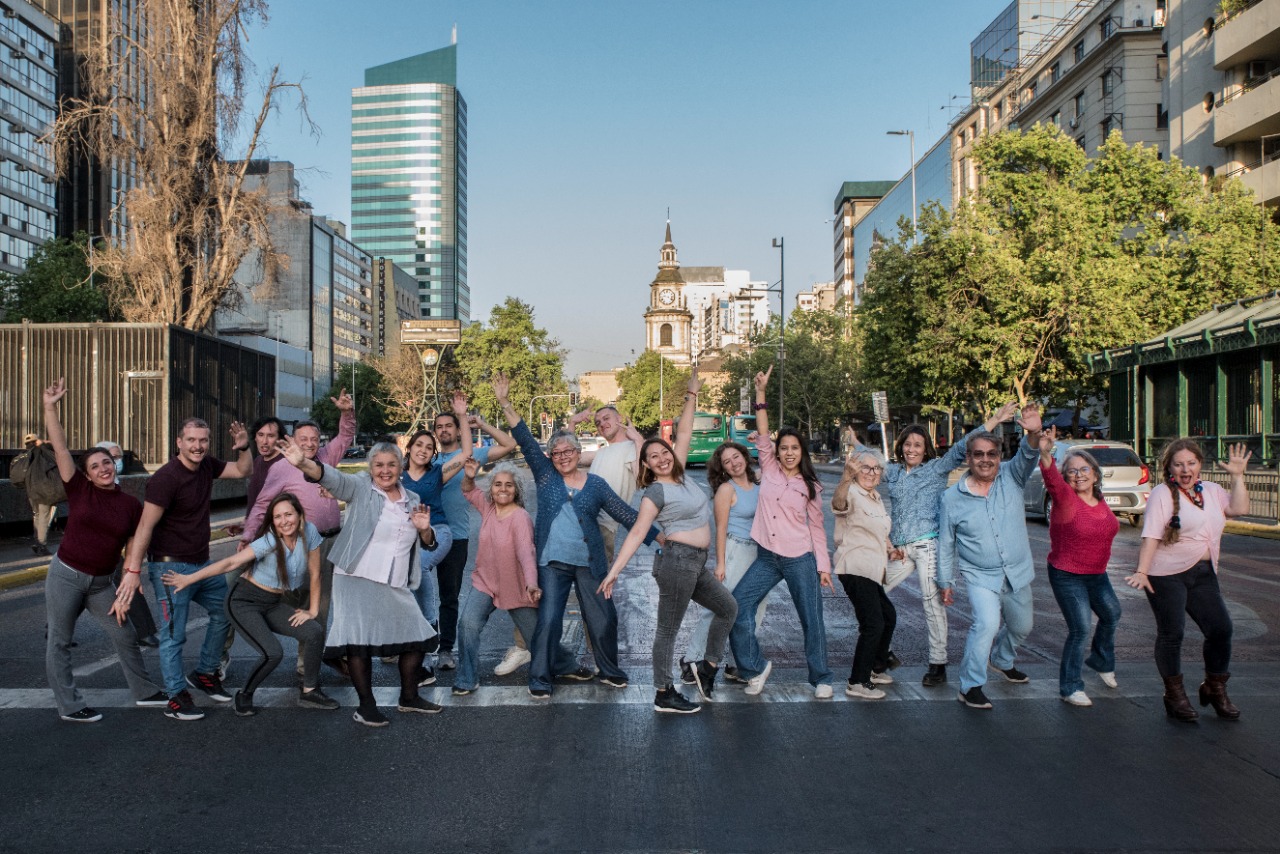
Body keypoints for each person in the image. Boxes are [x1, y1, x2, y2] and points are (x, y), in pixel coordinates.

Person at [277, 432, 463, 726]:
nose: (385, 471)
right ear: (370, 467)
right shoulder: (360, 488)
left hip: (395, 582)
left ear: (401, 467)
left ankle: (409, 697)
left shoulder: (412, 498)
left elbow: (427, 543)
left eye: (391, 464)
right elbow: (331, 478)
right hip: (356, 577)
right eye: (378, 465)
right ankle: (366, 706)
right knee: (358, 643)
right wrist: (304, 462)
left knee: (419, 637)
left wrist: (426, 530)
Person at [493, 373, 657, 699]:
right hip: (553, 563)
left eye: (569, 451)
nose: (563, 456)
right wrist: (505, 403)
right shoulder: (545, 476)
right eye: (557, 452)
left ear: (578, 451)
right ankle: (540, 677)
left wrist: (659, 538)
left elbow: (624, 513)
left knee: (602, 617)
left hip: (589, 561)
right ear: (551, 457)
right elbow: (525, 437)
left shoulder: (595, 483)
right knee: (549, 620)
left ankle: (609, 671)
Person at [599, 376, 738, 714]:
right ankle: (663, 691)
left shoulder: (683, 476)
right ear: (646, 465)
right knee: (667, 630)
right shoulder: (656, 491)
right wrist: (614, 572)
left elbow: (686, 430)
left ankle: (707, 668)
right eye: (653, 457)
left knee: (728, 608)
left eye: (663, 452)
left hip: (696, 563)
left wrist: (692, 394)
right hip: (676, 563)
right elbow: (635, 533)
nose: (660, 458)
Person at [39, 379, 167, 722]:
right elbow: (61, 448)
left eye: (107, 462)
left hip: (100, 584)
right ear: (87, 474)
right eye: (95, 466)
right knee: (60, 641)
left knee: (124, 633)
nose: (103, 469)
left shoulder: (128, 504)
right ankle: (69, 706)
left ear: (114, 465)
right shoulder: (79, 489)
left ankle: (144, 691)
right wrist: (50, 407)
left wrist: (132, 573)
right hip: (66, 575)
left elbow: (135, 541)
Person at [121, 416, 252, 721]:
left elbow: (243, 469)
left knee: (226, 608)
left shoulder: (206, 465)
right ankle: (176, 696)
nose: (197, 446)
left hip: (200, 563)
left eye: (203, 440)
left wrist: (244, 446)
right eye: (191, 440)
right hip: (169, 567)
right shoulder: (166, 478)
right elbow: (145, 526)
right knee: (173, 634)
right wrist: (133, 570)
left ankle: (205, 672)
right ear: (178, 442)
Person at [881, 403, 1019, 688]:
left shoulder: (936, 468)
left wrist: (994, 419)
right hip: (899, 549)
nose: (912, 449)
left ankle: (938, 664)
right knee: (873, 592)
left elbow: (961, 447)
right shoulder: (892, 472)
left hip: (928, 545)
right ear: (901, 447)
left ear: (926, 448)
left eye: (918, 445)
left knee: (932, 605)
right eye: (907, 444)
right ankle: (881, 652)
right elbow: (866, 468)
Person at [163, 493, 339, 715]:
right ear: (272, 521)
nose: (284, 521)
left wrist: (312, 610)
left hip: (273, 602)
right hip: (243, 602)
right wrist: (189, 579)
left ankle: (309, 691)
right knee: (272, 653)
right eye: (277, 517)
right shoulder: (270, 541)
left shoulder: (310, 532)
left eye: (288, 514)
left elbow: (315, 574)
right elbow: (230, 562)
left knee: (313, 631)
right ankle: (244, 695)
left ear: (299, 515)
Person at [1124, 440, 1252, 721]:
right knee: (1173, 633)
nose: (1186, 469)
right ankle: (1174, 695)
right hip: (1165, 574)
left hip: (1203, 571)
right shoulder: (1162, 493)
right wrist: (1142, 571)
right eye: (1179, 464)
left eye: (1191, 463)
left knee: (1221, 629)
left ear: (1199, 465)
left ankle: (1214, 688)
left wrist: (1238, 475)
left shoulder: (1211, 491)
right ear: (1169, 467)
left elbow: (1239, 508)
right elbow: (1151, 535)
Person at [727, 366, 835, 699]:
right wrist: (760, 394)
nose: (788, 452)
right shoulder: (769, 467)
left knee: (811, 620)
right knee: (736, 607)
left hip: (800, 558)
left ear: (802, 452)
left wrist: (823, 567)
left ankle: (821, 678)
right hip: (767, 557)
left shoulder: (811, 485)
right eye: (784, 447)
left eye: (794, 448)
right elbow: (762, 432)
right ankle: (753, 668)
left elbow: (816, 528)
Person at [240, 392, 357, 673]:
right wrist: (247, 537)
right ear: (292, 440)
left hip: (331, 541)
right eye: (302, 439)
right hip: (301, 543)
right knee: (290, 596)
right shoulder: (281, 468)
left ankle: (308, 663)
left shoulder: (326, 457)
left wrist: (347, 413)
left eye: (313, 439)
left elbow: (345, 436)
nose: (309, 443)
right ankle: (261, 639)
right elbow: (262, 504)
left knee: (321, 604)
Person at [937, 404, 1043, 710]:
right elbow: (946, 543)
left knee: (1022, 626)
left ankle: (1002, 658)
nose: (985, 460)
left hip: (1017, 571)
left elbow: (1028, 453)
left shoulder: (1013, 476)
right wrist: (945, 581)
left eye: (991, 454)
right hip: (980, 575)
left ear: (999, 456)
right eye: (978, 454)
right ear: (968, 458)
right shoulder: (951, 499)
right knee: (986, 623)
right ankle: (970, 686)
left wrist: (1034, 432)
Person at [453, 459, 583, 694]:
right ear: (491, 489)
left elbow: (526, 553)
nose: (503, 489)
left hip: (515, 585)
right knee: (467, 624)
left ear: (517, 490)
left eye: (509, 485)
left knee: (536, 638)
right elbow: (468, 490)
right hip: (485, 582)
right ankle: (467, 678)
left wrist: (531, 583)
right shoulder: (488, 508)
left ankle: (566, 664)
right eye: (498, 484)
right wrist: (471, 476)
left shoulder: (520, 517)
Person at [430, 397, 518, 671]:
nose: (444, 430)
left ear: (458, 431)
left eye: (449, 426)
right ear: (435, 433)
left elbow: (509, 445)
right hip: (421, 536)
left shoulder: (471, 455)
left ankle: (445, 649)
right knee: (411, 593)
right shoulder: (427, 460)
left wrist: (481, 423)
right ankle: (408, 645)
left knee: (449, 596)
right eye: (439, 427)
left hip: (456, 538)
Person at [1036, 428, 1122, 707]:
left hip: (1097, 574)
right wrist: (1046, 452)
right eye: (1071, 471)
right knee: (1081, 628)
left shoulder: (1100, 501)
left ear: (1095, 474)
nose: (1078, 474)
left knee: (1112, 613)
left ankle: (1100, 659)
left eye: (1084, 469)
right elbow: (1051, 476)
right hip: (1067, 574)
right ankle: (1070, 686)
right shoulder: (1065, 498)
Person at [680, 440, 764, 685]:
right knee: (721, 607)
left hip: (760, 554)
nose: (733, 463)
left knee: (755, 609)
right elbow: (721, 529)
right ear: (723, 469)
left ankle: (739, 663)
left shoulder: (759, 483)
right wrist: (720, 564)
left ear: (745, 456)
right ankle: (692, 659)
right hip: (736, 550)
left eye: (736, 457)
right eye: (727, 462)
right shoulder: (727, 489)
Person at [831, 451, 894, 700]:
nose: (871, 473)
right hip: (855, 566)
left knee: (888, 617)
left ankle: (876, 667)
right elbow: (838, 504)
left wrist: (891, 548)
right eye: (865, 468)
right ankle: (858, 680)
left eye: (876, 469)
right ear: (856, 470)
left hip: (872, 568)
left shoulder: (875, 497)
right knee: (874, 624)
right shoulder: (851, 491)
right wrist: (845, 477)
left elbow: (878, 530)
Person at [95, 439, 159, 648]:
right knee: (78, 590)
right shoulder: (92, 488)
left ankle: (145, 631)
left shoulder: (119, 487)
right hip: (95, 548)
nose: (115, 462)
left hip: (113, 549)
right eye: (109, 457)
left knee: (127, 583)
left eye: (117, 457)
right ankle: (145, 632)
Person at [13, 432, 61, 556]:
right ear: (37, 441)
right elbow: (58, 452)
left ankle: (37, 541)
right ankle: (41, 544)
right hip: (44, 490)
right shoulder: (42, 452)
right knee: (45, 517)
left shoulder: (25, 455)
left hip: (31, 491)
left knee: (37, 516)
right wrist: (44, 444)